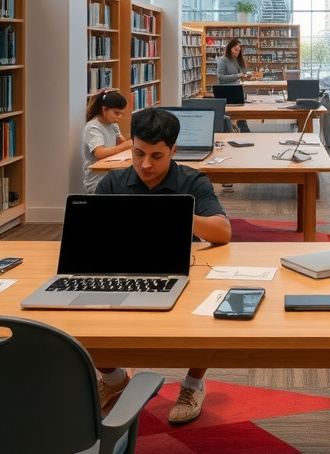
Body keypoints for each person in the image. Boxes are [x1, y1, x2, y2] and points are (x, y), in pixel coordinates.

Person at [95, 107, 232, 425]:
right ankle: (115, 379)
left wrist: (172, 214)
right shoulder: (113, 182)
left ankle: (193, 384)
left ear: (173, 149)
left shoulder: (192, 180)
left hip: (182, 271)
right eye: (138, 153)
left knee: (211, 311)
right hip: (121, 270)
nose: (145, 164)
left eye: (156, 156)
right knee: (75, 317)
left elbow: (222, 231)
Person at [82, 89, 132, 193]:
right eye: (116, 113)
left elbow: (122, 143)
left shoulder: (112, 125)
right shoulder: (93, 127)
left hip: (111, 174)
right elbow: (100, 153)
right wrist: (128, 144)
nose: (120, 117)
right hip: (97, 179)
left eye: (121, 113)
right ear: (104, 109)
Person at [216, 37, 251, 133]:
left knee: (240, 111)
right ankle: (238, 130)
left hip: (236, 89)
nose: (237, 52)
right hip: (226, 90)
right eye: (235, 50)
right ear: (229, 48)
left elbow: (241, 72)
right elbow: (221, 77)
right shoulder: (223, 60)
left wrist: (245, 75)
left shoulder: (237, 60)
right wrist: (238, 76)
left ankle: (244, 130)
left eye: (239, 51)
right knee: (231, 112)